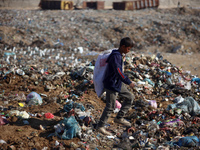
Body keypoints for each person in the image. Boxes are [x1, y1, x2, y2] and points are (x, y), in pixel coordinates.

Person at [97, 37, 136, 135]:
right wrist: (128, 82)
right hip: (111, 84)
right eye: (128, 49)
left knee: (130, 97)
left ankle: (119, 118)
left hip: (118, 83)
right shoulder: (115, 56)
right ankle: (100, 126)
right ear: (123, 47)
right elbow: (118, 72)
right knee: (110, 107)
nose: (129, 51)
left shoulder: (119, 55)